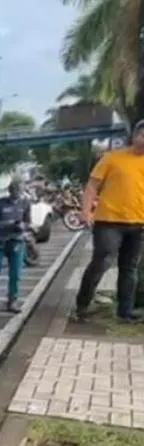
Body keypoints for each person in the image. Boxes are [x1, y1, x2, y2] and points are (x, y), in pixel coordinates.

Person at [72, 120, 144, 323]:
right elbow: (92, 186)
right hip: (109, 222)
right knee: (101, 262)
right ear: (134, 136)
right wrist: (85, 212)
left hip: (138, 224)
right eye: (142, 135)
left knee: (129, 268)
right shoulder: (113, 158)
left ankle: (125, 312)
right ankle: (82, 307)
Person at [0, 179, 32, 313]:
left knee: (15, 273)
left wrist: (23, 226)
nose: (18, 194)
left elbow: (28, 221)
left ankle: (12, 300)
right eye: (15, 190)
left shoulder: (25, 204)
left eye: (20, 191)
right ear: (10, 190)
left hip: (16, 241)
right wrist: (8, 224)